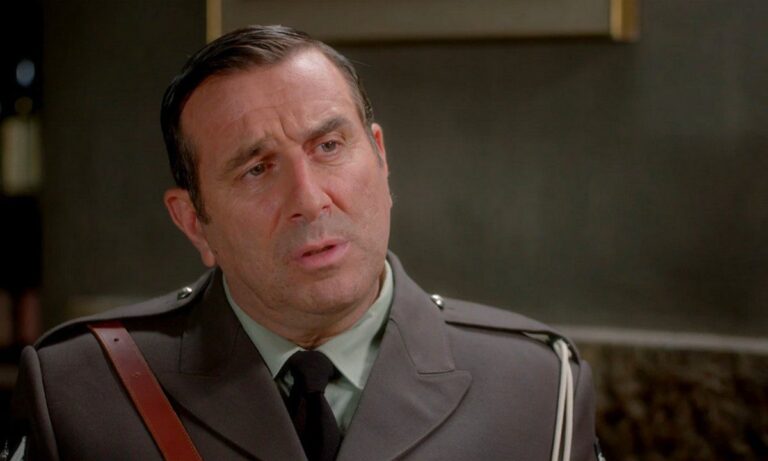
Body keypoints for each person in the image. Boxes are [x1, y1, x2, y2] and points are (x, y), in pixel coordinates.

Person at [9, 25, 599, 460]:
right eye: (256, 169)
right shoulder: (82, 391)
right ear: (193, 222)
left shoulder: (539, 389)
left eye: (329, 147)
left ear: (381, 158)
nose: (310, 200)